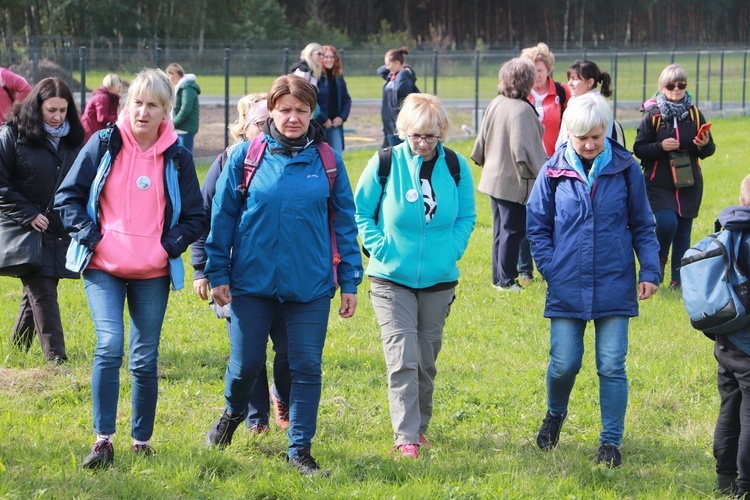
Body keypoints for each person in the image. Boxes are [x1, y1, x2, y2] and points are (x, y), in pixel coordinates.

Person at [203, 75, 362, 476]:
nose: (293, 118)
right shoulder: (246, 157)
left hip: (309, 287)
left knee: (306, 366)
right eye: (285, 109)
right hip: (250, 285)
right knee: (245, 366)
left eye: (302, 110)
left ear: (313, 113)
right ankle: (232, 414)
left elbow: (345, 222)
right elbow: (221, 218)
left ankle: (300, 451)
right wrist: (216, 270)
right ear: (271, 110)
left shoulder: (328, 161)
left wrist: (350, 281)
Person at [55, 68, 206, 469]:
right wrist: (95, 238)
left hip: (153, 272)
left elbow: (195, 216)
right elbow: (67, 198)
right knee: (108, 345)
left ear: (165, 111)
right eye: (136, 102)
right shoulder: (103, 143)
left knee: (144, 358)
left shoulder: (178, 157)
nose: (142, 111)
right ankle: (103, 439)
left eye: (152, 104)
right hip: (103, 266)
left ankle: (141, 440)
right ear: (126, 105)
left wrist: (167, 247)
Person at [526, 92, 660, 468]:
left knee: (612, 364)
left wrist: (649, 270)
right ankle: (555, 414)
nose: (588, 145)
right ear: (568, 132)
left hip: (615, 281)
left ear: (606, 133)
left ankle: (610, 442)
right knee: (564, 363)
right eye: (581, 137)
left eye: (596, 137)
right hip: (566, 283)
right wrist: (552, 268)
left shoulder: (626, 168)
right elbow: (537, 227)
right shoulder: (551, 171)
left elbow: (642, 224)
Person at [354, 93, 476, 459]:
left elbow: (467, 217)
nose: (422, 144)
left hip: (439, 280)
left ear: (442, 132)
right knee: (403, 357)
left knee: (425, 359)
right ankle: (405, 436)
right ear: (403, 131)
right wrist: (380, 247)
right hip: (391, 279)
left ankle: (420, 427)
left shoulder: (456, 167)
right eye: (415, 136)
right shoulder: (384, 163)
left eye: (430, 136)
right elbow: (360, 211)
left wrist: (451, 250)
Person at [190, 93, 291, 433]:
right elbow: (204, 217)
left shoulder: (288, 159)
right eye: (259, 123)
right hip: (235, 275)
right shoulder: (226, 163)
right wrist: (202, 268)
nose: (267, 128)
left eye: (270, 121)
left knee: (286, 351)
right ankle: (256, 417)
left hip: (282, 274)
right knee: (249, 352)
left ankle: (282, 396)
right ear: (243, 129)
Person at [0, 77, 84, 364]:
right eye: (51, 110)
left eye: (63, 110)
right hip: (24, 227)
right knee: (44, 291)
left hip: (59, 229)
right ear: (37, 107)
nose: (58, 117)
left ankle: (17, 349)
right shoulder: (13, 134)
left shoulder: (74, 140)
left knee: (38, 290)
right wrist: (28, 214)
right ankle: (57, 360)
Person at [633, 64, 716, 290]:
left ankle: (678, 282)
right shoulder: (652, 115)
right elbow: (639, 149)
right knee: (667, 223)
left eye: (682, 85)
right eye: (671, 85)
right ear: (662, 87)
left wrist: (704, 144)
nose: (677, 89)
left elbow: (709, 151)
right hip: (658, 183)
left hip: (689, 183)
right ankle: (659, 259)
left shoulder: (695, 114)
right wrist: (661, 146)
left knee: (683, 233)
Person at [471, 58, 546, 291]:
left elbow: (482, 136)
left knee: (500, 229)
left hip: (493, 177)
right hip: (512, 181)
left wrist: (479, 156)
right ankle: (507, 280)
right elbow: (526, 150)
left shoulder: (498, 102)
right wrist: (546, 173)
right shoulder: (522, 109)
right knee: (513, 231)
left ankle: (498, 278)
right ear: (526, 80)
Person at [707, 174, 750, 499]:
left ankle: (724, 479)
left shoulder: (727, 229)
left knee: (729, 406)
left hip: (725, 334)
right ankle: (745, 486)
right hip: (748, 340)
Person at [555, 60, 625, 149]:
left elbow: (603, 144)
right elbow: (562, 140)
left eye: (575, 79)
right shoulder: (572, 104)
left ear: (590, 82)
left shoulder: (598, 107)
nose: (569, 84)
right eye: (569, 79)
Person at [378, 47, 419, 147]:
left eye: (389, 64)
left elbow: (399, 89)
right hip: (388, 125)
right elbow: (380, 71)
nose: (387, 67)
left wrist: (404, 71)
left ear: (397, 63)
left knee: (399, 157)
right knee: (388, 157)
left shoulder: (405, 78)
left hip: (398, 126)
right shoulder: (391, 76)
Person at [317, 45, 352, 153]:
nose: (329, 60)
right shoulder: (316, 77)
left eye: (332, 57)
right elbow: (313, 102)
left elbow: (347, 99)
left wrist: (341, 118)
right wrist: (324, 119)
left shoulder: (338, 78)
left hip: (335, 125)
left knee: (337, 156)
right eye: (326, 57)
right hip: (319, 125)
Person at [165, 63, 200, 154]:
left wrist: (173, 123)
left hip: (185, 130)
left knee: (184, 158)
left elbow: (185, 109)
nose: (168, 78)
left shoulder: (187, 88)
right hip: (179, 129)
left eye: (168, 75)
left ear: (175, 74)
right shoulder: (180, 87)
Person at [81, 73, 121, 142]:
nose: (119, 90)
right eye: (119, 87)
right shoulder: (103, 98)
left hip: (91, 131)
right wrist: (118, 118)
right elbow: (102, 118)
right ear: (112, 86)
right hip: (91, 132)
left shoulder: (103, 96)